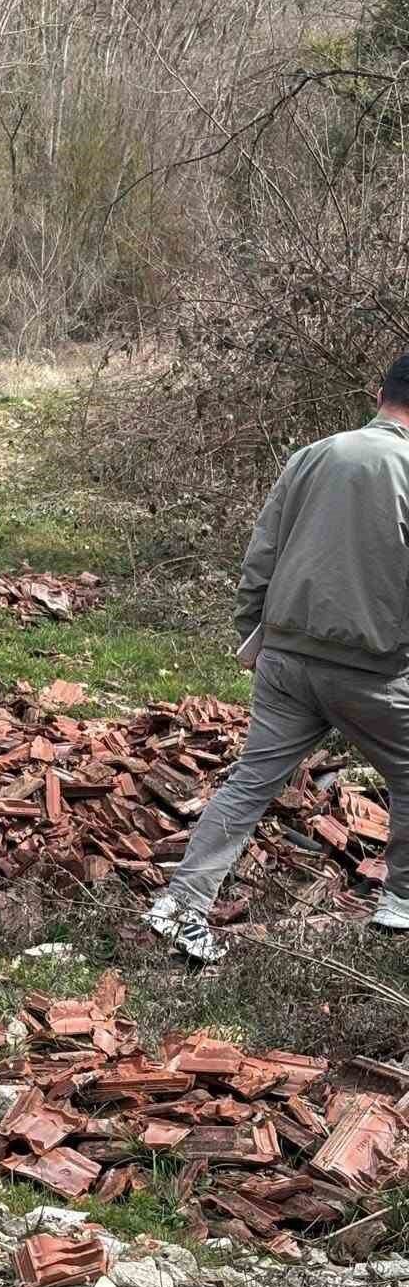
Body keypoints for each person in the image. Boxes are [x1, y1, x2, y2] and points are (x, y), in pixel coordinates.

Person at [145, 354, 409, 963]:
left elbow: (264, 548)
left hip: (286, 657)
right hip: (373, 669)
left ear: (378, 393)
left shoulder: (313, 454)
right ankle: (399, 905)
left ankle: (182, 903)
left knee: (248, 786)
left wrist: (252, 630)